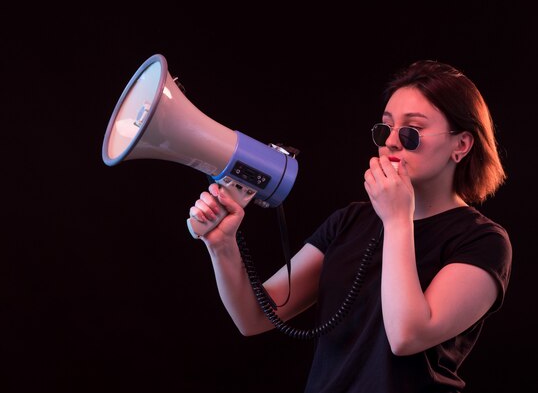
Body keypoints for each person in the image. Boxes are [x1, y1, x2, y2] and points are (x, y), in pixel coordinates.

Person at [187, 60, 513, 392]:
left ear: (461, 145)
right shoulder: (349, 221)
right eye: (385, 129)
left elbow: (406, 336)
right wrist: (222, 245)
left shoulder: (482, 241)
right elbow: (254, 317)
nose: (392, 143)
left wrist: (398, 219)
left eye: (411, 132)